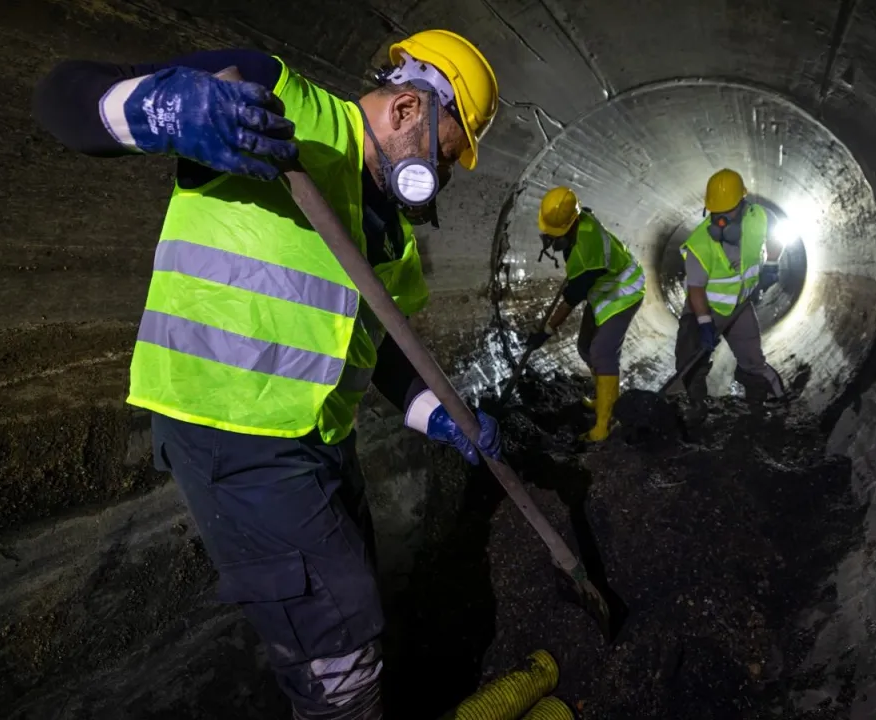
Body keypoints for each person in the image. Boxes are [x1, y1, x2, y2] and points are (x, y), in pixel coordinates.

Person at [33, 31, 502, 720]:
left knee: (350, 600)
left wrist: (444, 417)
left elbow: (380, 352)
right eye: (448, 153)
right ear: (408, 109)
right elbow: (62, 96)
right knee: (338, 646)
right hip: (231, 429)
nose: (445, 174)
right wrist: (169, 110)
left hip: (319, 442)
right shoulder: (271, 98)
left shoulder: (392, 239)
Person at [526, 186, 645, 442]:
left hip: (624, 291)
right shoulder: (579, 219)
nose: (550, 240)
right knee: (584, 347)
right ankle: (604, 398)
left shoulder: (587, 250)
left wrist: (545, 332)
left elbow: (570, 300)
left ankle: (605, 424)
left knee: (602, 353)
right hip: (603, 291)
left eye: (555, 235)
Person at [675, 168, 787, 409]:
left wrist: (771, 264)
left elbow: (777, 235)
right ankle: (696, 408)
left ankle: (761, 402)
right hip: (705, 307)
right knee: (689, 360)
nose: (721, 220)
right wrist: (704, 324)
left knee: (752, 359)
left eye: (728, 211)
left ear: (743, 203)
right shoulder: (700, 244)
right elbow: (696, 289)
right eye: (716, 213)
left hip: (740, 305)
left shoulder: (760, 218)